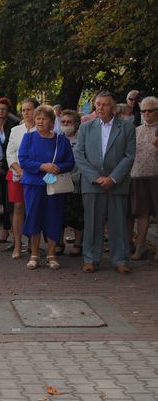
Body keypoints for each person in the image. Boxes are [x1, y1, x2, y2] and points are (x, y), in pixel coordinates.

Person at [74, 90, 136, 274]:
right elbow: (79, 154)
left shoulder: (126, 128)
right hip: (92, 183)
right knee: (92, 222)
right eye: (98, 104)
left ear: (114, 107)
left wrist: (113, 178)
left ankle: (120, 259)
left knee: (118, 223)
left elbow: (129, 155)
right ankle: (90, 259)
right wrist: (95, 177)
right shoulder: (86, 127)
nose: (100, 107)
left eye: (105, 104)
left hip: (117, 183)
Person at [18, 105, 75, 270]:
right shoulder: (28, 138)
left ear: (52, 121)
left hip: (55, 185)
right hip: (34, 184)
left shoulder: (61, 140)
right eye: (37, 118)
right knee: (34, 217)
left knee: (54, 217)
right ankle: (34, 254)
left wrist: (58, 167)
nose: (39, 121)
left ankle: (52, 254)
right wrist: (43, 166)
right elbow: (24, 160)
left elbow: (70, 162)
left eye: (43, 118)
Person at [5, 97, 39, 258]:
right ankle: (18, 245)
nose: (26, 113)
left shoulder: (42, 130)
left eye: (29, 109)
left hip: (36, 173)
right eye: (23, 110)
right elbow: (10, 153)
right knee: (18, 207)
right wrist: (19, 169)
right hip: (17, 172)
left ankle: (34, 245)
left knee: (33, 208)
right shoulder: (15, 130)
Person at [129, 96, 158, 261]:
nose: (146, 113)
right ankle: (141, 246)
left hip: (156, 176)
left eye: (150, 110)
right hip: (138, 175)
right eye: (143, 110)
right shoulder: (136, 131)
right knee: (142, 213)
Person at [0, 97, 17, 248]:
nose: (1, 111)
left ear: (7, 112)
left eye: (4, 109)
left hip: (8, 168)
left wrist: (4, 164)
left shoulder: (12, 127)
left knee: (7, 201)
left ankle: (6, 229)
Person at [58, 110, 85, 257]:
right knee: (60, 214)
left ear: (76, 124)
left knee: (77, 215)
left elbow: (84, 160)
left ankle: (78, 243)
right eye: (63, 122)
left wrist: (75, 176)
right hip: (60, 182)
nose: (66, 125)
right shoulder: (57, 139)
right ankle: (59, 242)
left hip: (76, 182)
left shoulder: (82, 139)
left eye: (69, 122)